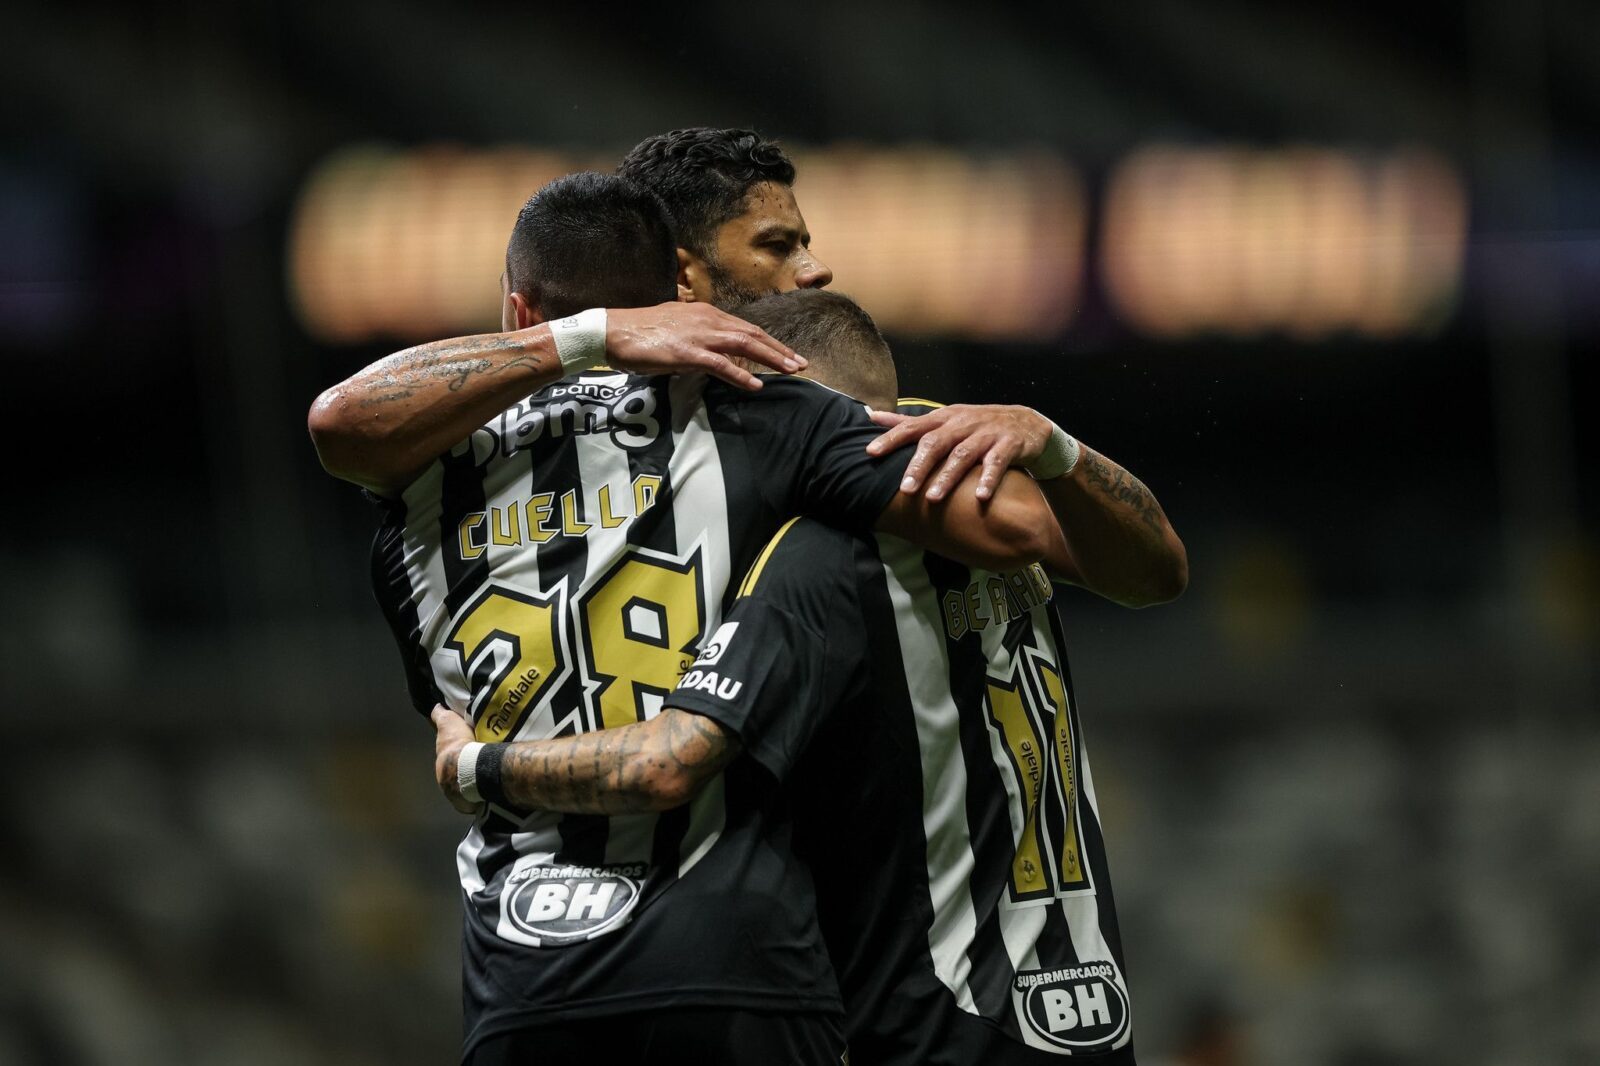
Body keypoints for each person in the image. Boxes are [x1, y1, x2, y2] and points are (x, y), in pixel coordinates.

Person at [312, 165, 1057, 1064]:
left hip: (520, 985)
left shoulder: (423, 480)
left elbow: (338, 420)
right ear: (679, 290)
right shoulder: (754, 415)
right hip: (736, 961)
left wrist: (583, 339)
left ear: (517, 312)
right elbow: (1022, 527)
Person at [435, 288, 1187, 1064]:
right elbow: (1160, 572)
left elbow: (667, 760)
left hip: (929, 1025)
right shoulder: (987, 481)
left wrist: (475, 764)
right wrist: (1054, 444)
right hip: (1085, 1005)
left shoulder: (820, 553)